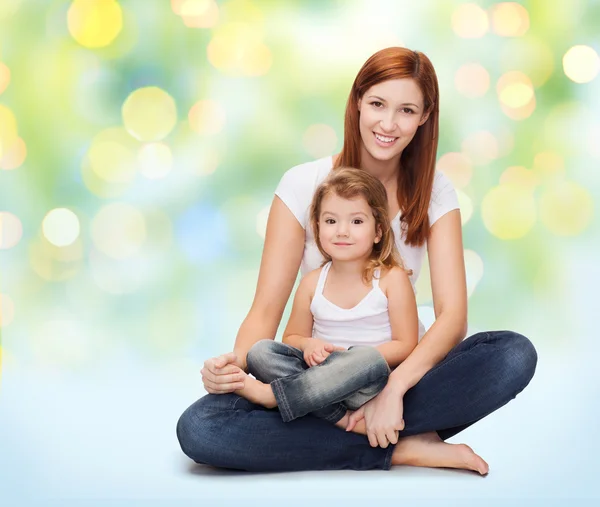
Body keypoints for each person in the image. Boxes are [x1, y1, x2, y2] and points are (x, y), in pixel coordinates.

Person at [176, 47, 537, 475]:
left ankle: (357, 430)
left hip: (393, 374)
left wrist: (394, 391)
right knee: (201, 427)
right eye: (378, 104)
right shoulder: (301, 184)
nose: (388, 124)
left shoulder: (436, 193)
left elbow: (452, 318)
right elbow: (267, 311)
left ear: (425, 117)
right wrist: (234, 369)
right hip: (310, 377)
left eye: (406, 110)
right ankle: (395, 447)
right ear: (357, 103)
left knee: (512, 354)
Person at [237, 168, 418, 431]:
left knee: (368, 359)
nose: (342, 231)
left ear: (378, 231)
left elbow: (405, 344)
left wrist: (348, 359)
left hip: (366, 384)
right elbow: (292, 338)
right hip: (318, 380)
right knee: (261, 352)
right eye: (331, 221)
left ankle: (273, 397)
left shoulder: (392, 279)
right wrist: (309, 345)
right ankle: (340, 419)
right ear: (318, 227)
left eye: (356, 222)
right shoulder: (311, 282)